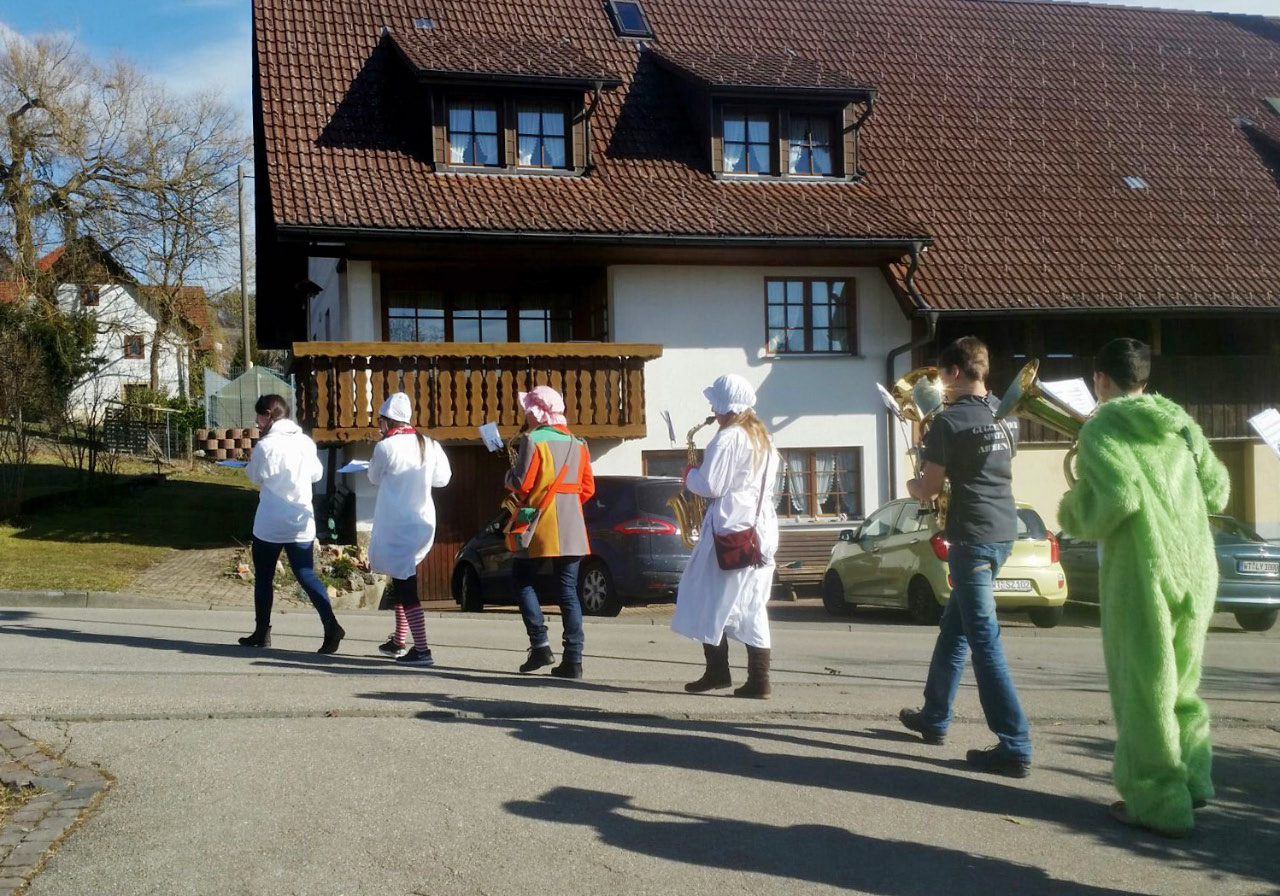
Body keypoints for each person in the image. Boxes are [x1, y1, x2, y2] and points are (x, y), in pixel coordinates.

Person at [1058, 337, 1228, 838]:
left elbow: (1116, 500)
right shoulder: (1182, 423)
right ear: (1145, 379)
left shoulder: (1102, 427)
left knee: (1144, 690)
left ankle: (1158, 802)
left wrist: (1071, 510)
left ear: (1100, 380)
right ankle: (1194, 780)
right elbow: (1218, 490)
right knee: (1183, 684)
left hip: (1143, 572)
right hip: (1197, 567)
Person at [898, 336, 1032, 777]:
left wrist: (912, 484)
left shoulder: (948, 422)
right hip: (1004, 531)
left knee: (983, 643)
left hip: (971, 537)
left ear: (954, 372)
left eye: (940, 376)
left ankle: (1014, 744)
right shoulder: (1006, 415)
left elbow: (929, 489)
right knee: (953, 631)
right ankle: (934, 716)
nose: (939, 384)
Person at [671, 374, 781, 699]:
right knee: (752, 605)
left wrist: (689, 474)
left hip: (731, 527)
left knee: (707, 596)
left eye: (715, 404)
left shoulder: (729, 437)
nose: (712, 410)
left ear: (727, 405)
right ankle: (759, 680)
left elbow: (711, 486)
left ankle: (718, 671)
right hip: (760, 529)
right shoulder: (763, 437)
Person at [238, 394, 345, 653]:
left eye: (259, 416)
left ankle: (262, 632)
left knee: (264, 578)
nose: (257, 421)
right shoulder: (305, 442)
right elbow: (316, 474)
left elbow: (255, 477)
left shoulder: (266, 446)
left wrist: (251, 464)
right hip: (300, 521)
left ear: (269, 415)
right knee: (306, 574)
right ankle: (331, 625)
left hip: (271, 522)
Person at [504, 386, 595, 679]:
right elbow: (588, 488)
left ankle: (540, 645)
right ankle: (574, 660)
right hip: (573, 525)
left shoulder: (533, 440)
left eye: (527, 410)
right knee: (568, 592)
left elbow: (521, 484)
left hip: (539, 521)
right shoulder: (578, 443)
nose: (525, 416)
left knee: (522, 580)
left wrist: (508, 475)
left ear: (536, 412)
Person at [367, 392, 452, 667]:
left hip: (397, 524)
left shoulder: (386, 447)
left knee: (406, 586)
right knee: (402, 576)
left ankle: (422, 650)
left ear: (387, 421)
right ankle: (399, 640)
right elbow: (443, 480)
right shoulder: (429, 444)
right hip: (423, 522)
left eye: (380, 420)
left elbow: (373, 477)